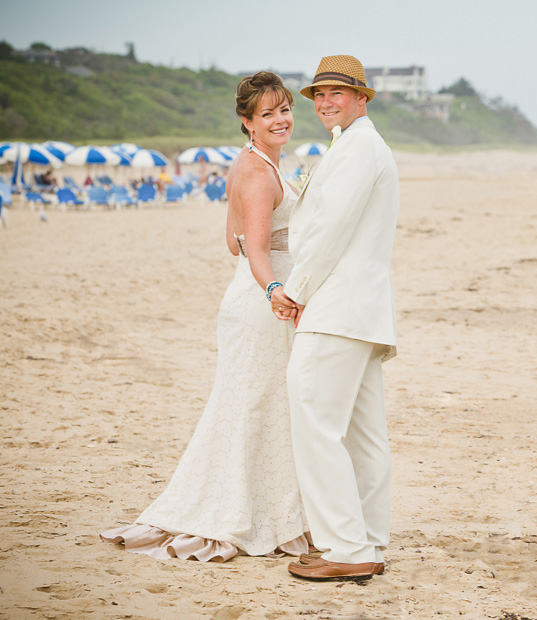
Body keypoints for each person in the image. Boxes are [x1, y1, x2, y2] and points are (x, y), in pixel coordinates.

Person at [101, 71, 312, 562]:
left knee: (251, 406)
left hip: (245, 297)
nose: (281, 120)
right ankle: (250, 515)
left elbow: (230, 242)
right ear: (247, 122)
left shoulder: (249, 165)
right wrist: (277, 285)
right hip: (264, 304)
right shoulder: (259, 172)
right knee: (260, 407)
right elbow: (255, 249)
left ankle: (264, 508)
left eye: (285, 110)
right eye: (268, 114)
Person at [279, 54, 399, 582]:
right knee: (362, 434)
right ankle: (367, 542)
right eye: (319, 96)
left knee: (315, 421)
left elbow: (331, 231)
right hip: (362, 310)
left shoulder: (359, 149)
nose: (326, 103)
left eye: (337, 95)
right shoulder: (354, 146)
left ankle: (345, 548)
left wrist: (296, 290)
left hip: (338, 308)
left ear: (361, 98)